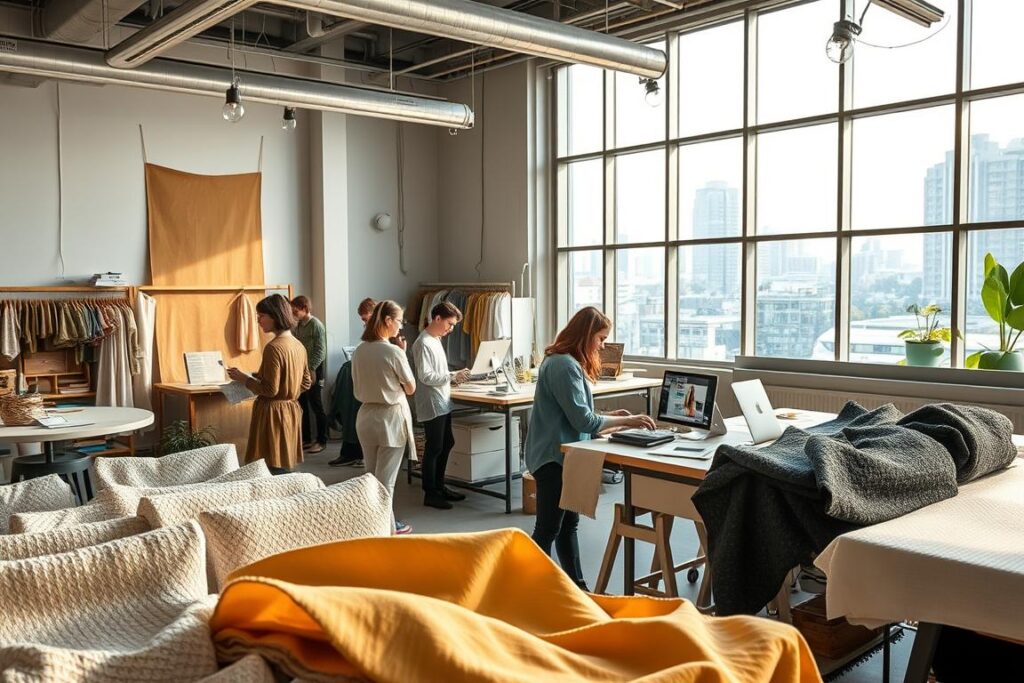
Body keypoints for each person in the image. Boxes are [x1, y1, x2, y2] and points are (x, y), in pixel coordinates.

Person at [525, 306, 656, 589]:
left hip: (564, 455)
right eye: (600, 338)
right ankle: (532, 587)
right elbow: (583, 419)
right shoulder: (563, 366)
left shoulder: (565, 362)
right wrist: (630, 420)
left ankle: (577, 586)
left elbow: (579, 418)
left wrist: (614, 421)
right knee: (548, 528)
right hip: (553, 458)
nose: (603, 345)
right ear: (586, 335)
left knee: (566, 525)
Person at [351, 300, 417, 534]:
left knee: (370, 477)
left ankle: (372, 528)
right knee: (386, 482)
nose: (401, 326)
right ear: (388, 321)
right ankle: (387, 532)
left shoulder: (359, 350)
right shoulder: (392, 352)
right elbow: (410, 388)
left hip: (366, 415)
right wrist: (402, 353)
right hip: (390, 417)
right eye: (399, 321)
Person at [228, 294, 311, 473]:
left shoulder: (273, 347)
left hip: (272, 414)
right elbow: (305, 382)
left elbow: (270, 390)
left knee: (270, 466)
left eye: (261, 316)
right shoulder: (298, 345)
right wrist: (288, 391)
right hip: (290, 410)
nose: (259, 321)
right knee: (284, 463)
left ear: (275, 316)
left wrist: (245, 379)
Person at [412, 302, 471, 509]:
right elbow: (425, 376)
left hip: (441, 399)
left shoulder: (435, 340)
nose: (451, 328)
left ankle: (439, 486)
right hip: (432, 401)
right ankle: (431, 492)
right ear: (437, 318)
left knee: (446, 443)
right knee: (434, 446)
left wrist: (453, 377)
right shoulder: (423, 343)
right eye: (450, 323)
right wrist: (452, 376)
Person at [291, 295, 328, 454]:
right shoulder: (298, 325)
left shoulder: (316, 325)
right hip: (301, 368)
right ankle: (306, 439)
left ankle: (322, 441)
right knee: (302, 405)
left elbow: (321, 350)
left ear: (305, 309)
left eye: (295, 310)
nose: (294, 313)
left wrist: (312, 368)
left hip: (314, 369)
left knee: (317, 405)